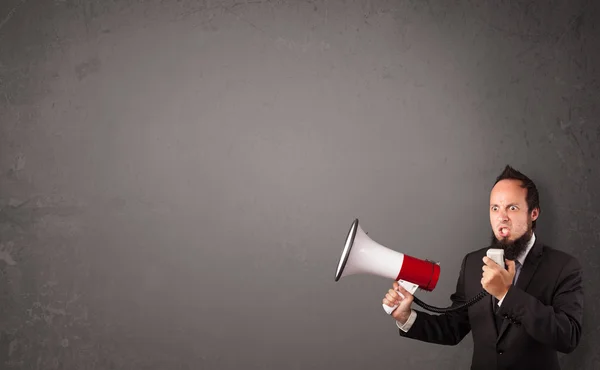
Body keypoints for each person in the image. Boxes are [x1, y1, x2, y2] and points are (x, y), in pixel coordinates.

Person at [383, 165, 584, 370]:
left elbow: (568, 336)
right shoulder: (472, 263)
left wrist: (507, 294)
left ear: (533, 213)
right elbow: (452, 329)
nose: (501, 216)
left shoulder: (564, 267)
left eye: (512, 208)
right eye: (495, 208)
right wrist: (406, 317)